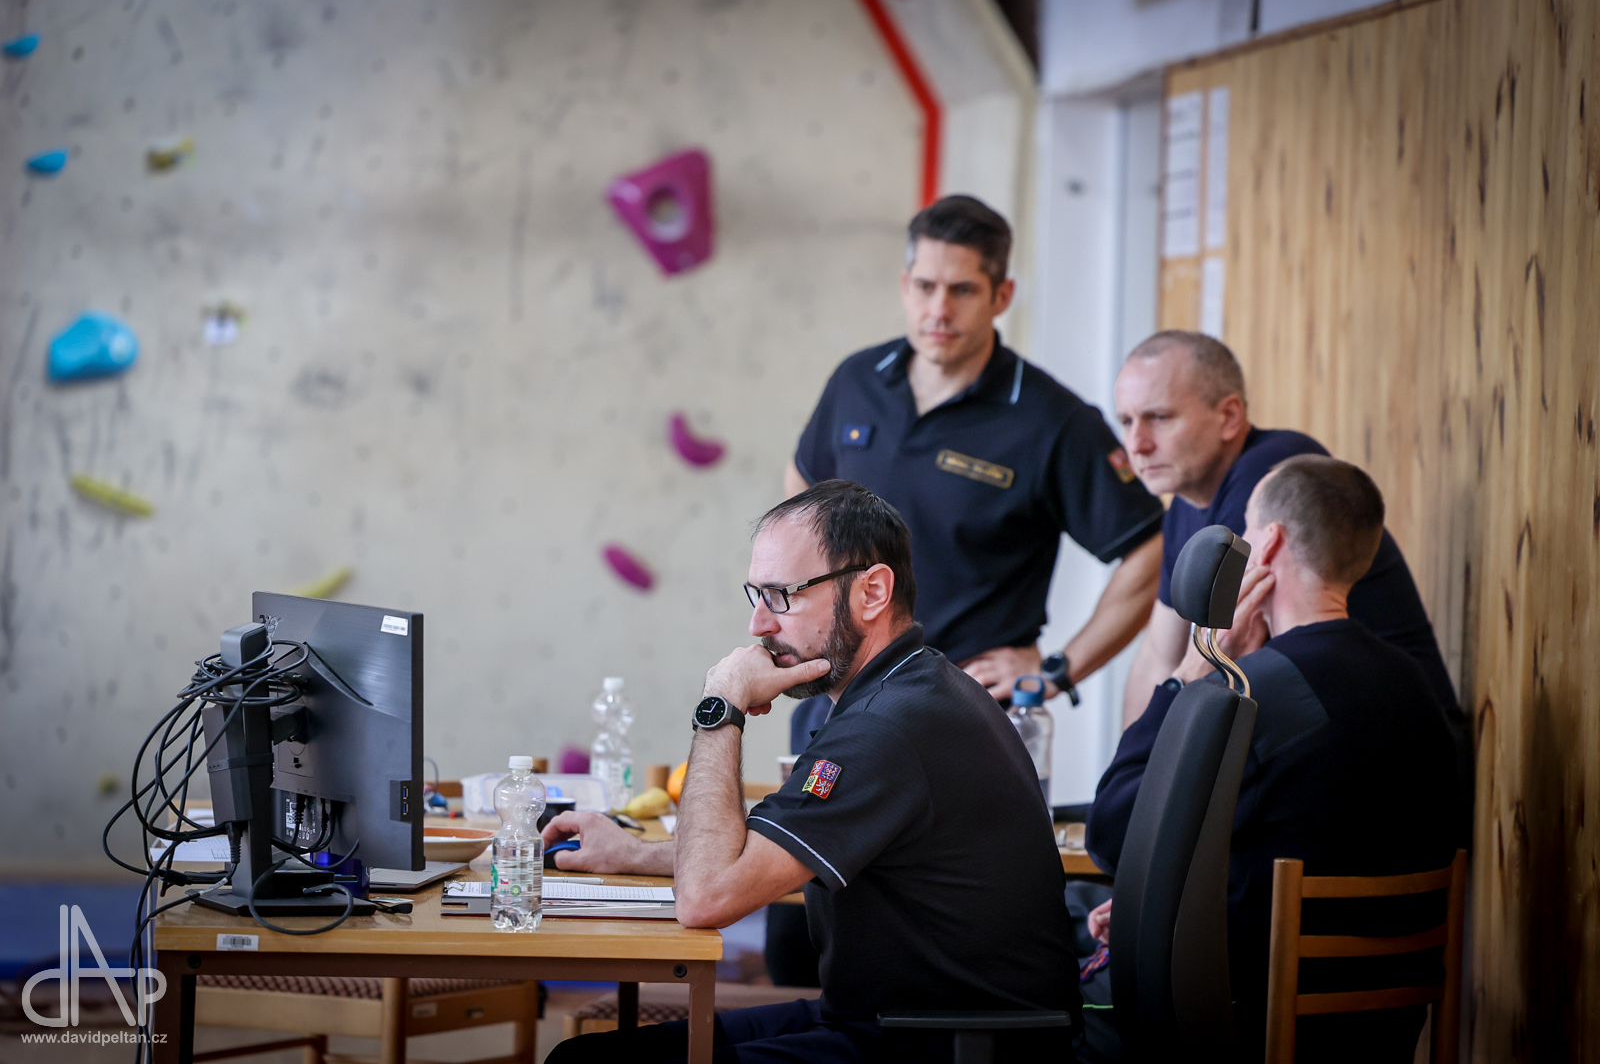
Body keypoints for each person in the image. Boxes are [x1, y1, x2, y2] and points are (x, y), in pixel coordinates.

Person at [543, 480, 1079, 1064]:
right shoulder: (910, 690)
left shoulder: (888, 727)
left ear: (872, 591)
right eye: (756, 595)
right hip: (899, 1021)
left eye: (782, 596)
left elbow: (705, 898)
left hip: (944, 1043)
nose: (758, 625)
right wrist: (631, 854)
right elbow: (760, 859)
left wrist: (721, 706)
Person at [1081, 455, 1459, 1063]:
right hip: (1383, 1027)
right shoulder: (1411, 683)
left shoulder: (1251, 694)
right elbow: (1310, 832)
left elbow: (1111, 832)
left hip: (1237, 1022)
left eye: (1247, 534)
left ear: (1271, 543)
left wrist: (1189, 675)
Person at [787, 195, 1165, 707]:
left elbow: (1150, 548)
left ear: (1002, 296)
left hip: (961, 713)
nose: (939, 311)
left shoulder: (1051, 420)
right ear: (905, 285)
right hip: (835, 695)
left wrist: (1057, 670)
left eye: (962, 290)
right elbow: (803, 484)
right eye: (926, 287)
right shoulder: (857, 380)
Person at [1113, 330, 1472, 841]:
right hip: (1320, 758)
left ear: (1229, 416)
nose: (1137, 444)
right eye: (1126, 422)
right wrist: (1134, 774)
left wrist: (1134, 803)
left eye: (1160, 418)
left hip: (1382, 767)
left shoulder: (1273, 478)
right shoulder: (1184, 511)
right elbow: (1159, 653)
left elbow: (1237, 646)